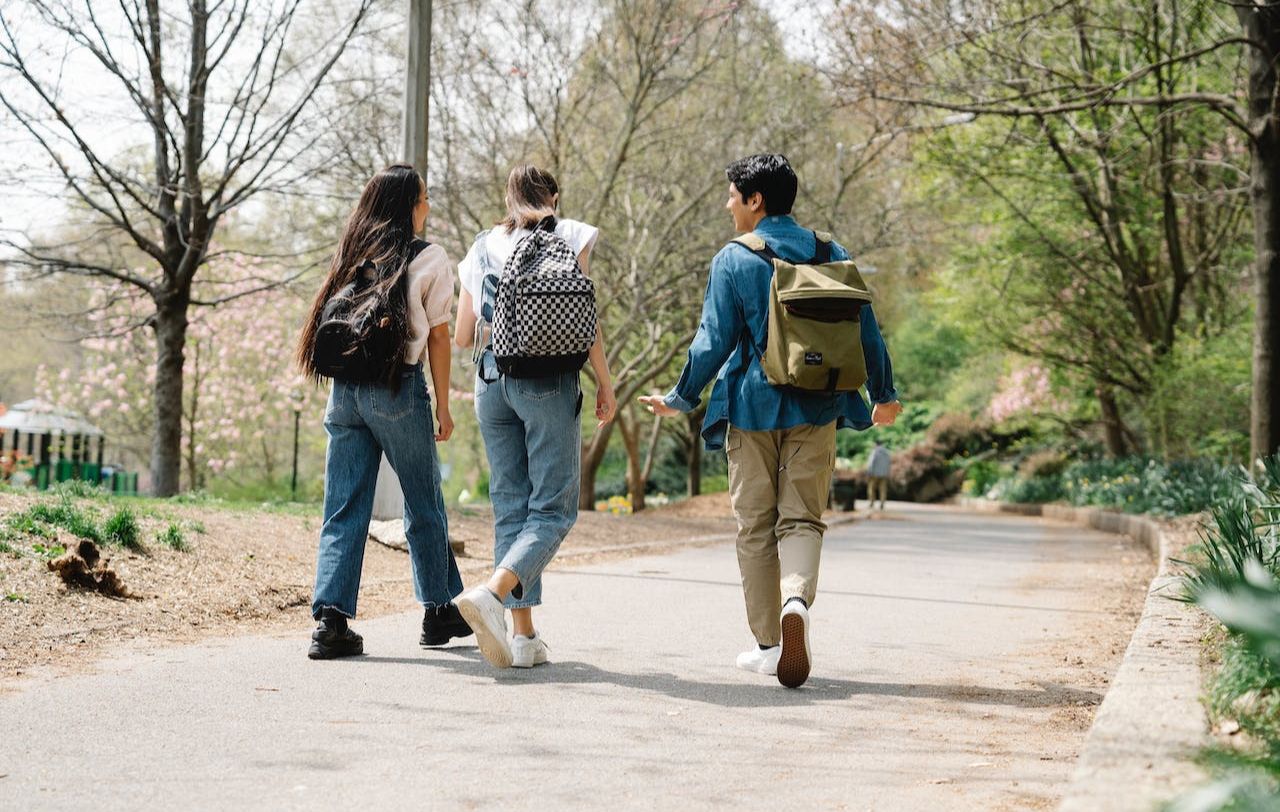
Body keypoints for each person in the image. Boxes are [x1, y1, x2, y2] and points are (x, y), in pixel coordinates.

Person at [640, 154, 902, 688]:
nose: (727, 203)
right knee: (802, 519)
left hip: (753, 406)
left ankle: (768, 644)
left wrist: (681, 396)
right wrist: (884, 394)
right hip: (820, 406)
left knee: (755, 527)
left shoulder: (733, 260)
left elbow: (712, 341)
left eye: (732, 194)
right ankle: (796, 601)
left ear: (755, 199)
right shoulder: (832, 252)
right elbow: (865, 332)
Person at [296, 163, 470, 659]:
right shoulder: (430, 258)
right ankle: (438, 611)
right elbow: (439, 335)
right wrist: (443, 404)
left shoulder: (353, 251)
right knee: (422, 500)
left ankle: (330, 622)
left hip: (344, 392)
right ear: (407, 207)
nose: (428, 207)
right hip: (397, 389)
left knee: (344, 507)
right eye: (424, 199)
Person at [452, 164, 617, 669]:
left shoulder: (481, 246)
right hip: (546, 383)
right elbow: (583, 321)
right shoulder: (570, 235)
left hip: (490, 380)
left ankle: (523, 638)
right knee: (553, 510)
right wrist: (605, 384)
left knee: (512, 506)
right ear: (555, 196)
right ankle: (495, 594)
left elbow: (462, 335)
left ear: (508, 199)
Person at [866, 442, 891, 511]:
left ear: (876, 444)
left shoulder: (874, 452)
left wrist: (869, 472)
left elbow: (870, 463)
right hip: (884, 474)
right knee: (883, 489)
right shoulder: (887, 452)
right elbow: (889, 464)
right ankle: (882, 503)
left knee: (871, 488)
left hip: (874, 474)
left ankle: (871, 503)